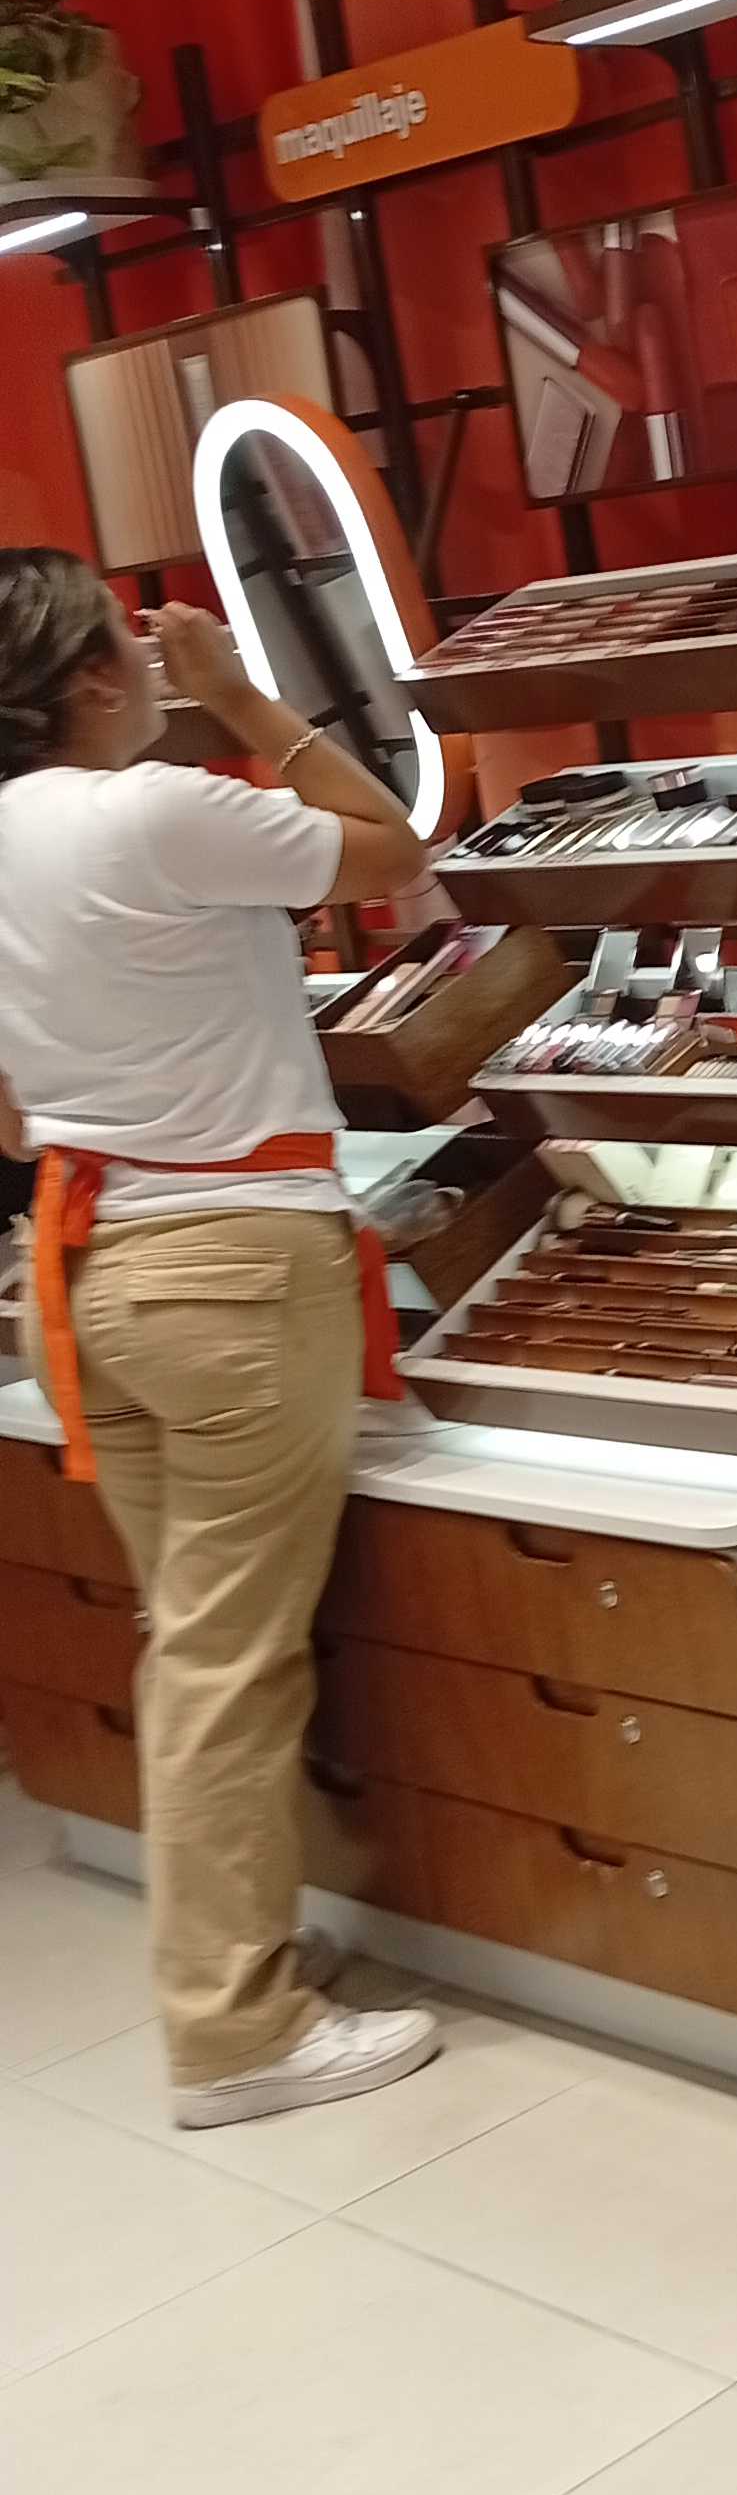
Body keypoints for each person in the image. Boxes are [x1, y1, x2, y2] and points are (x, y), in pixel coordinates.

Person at [0, 552, 443, 2124]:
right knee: (226, 1663)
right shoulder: (157, 809)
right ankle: (234, 2034)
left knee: (192, 1647)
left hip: (87, 1273)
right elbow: (395, 845)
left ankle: (233, 1963)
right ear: (93, 678)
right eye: (133, 643)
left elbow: (19, 1105)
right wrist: (246, 698)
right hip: (231, 1271)